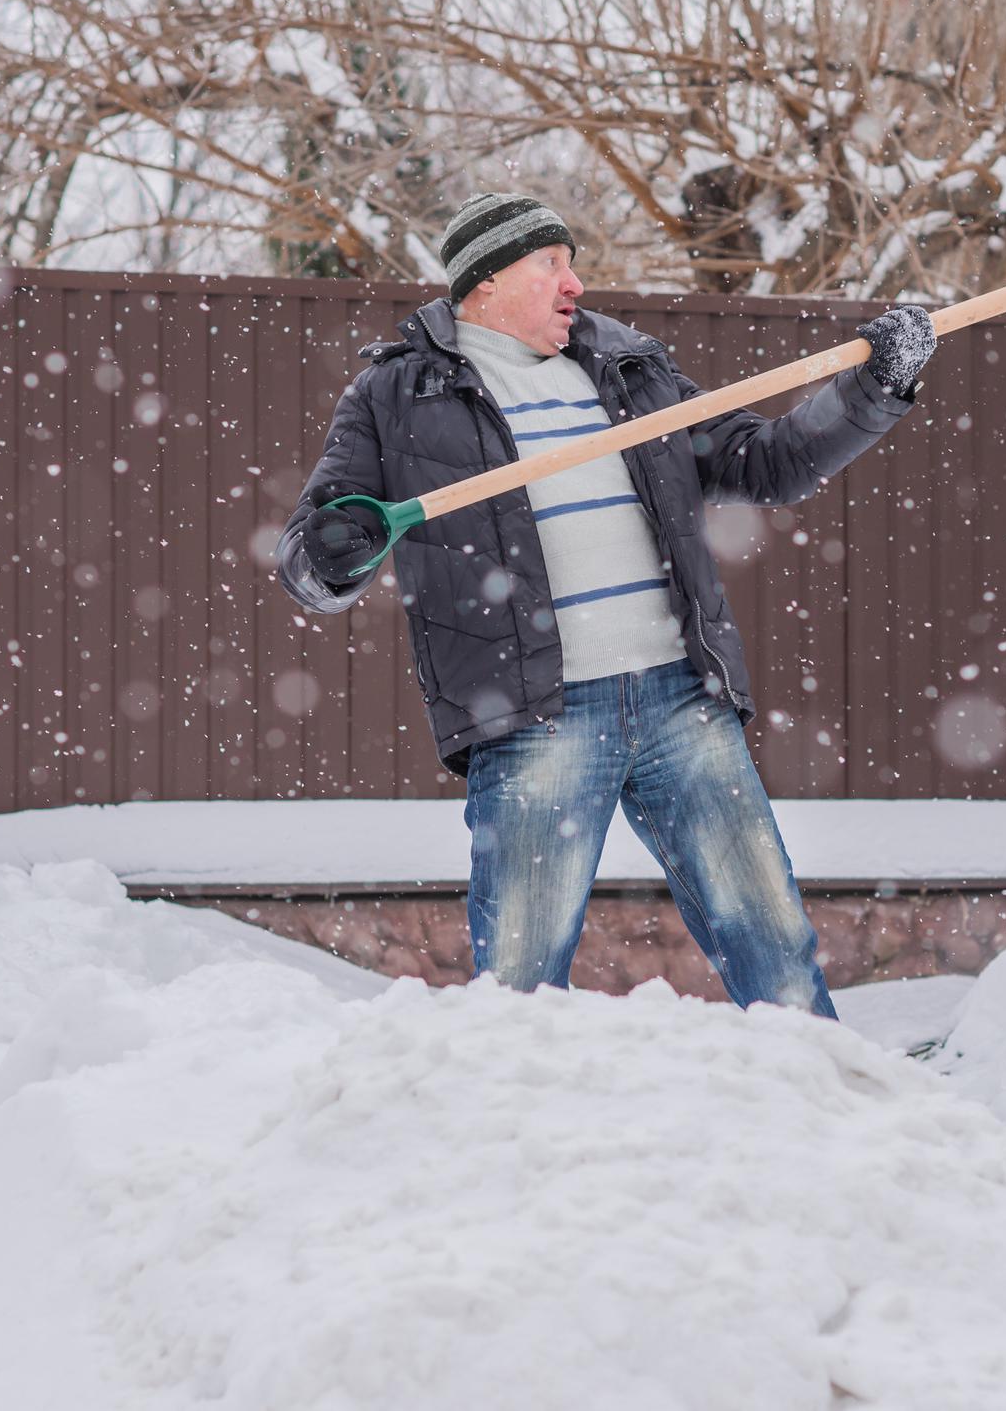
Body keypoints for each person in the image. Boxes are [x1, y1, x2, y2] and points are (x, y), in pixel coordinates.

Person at [275, 192, 935, 1017]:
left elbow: (767, 464)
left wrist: (876, 387)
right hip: (533, 716)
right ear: (484, 282)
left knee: (773, 943)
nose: (574, 282)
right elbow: (312, 555)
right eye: (549, 263)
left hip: (680, 699)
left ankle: (836, 1122)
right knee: (519, 981)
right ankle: (511, 1132)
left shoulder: (629, 370)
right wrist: (335, 553)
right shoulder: (398, 396)